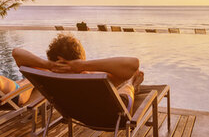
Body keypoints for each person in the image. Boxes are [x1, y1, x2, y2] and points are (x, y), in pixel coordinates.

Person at [12, 33, 144, 109]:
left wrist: (48, 65)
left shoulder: (49, 75)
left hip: (70, 111)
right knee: (127, 80)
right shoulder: (97, 78)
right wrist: (84, 66)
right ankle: (132, 84)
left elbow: (17, 53)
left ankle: (131, 83)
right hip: (105, 114)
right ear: (81, 58)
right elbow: (133, 65)